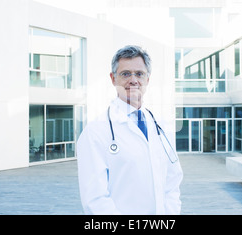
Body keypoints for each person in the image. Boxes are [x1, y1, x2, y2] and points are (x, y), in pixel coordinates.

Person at [76, 45, 183, 215]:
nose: (133, 80)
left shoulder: (160, 126)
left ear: (147, 79)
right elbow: (95, 199)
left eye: (139, 74)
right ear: (113, 79)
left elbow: (172, 180)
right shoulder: (96, 132)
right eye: (125, 74)